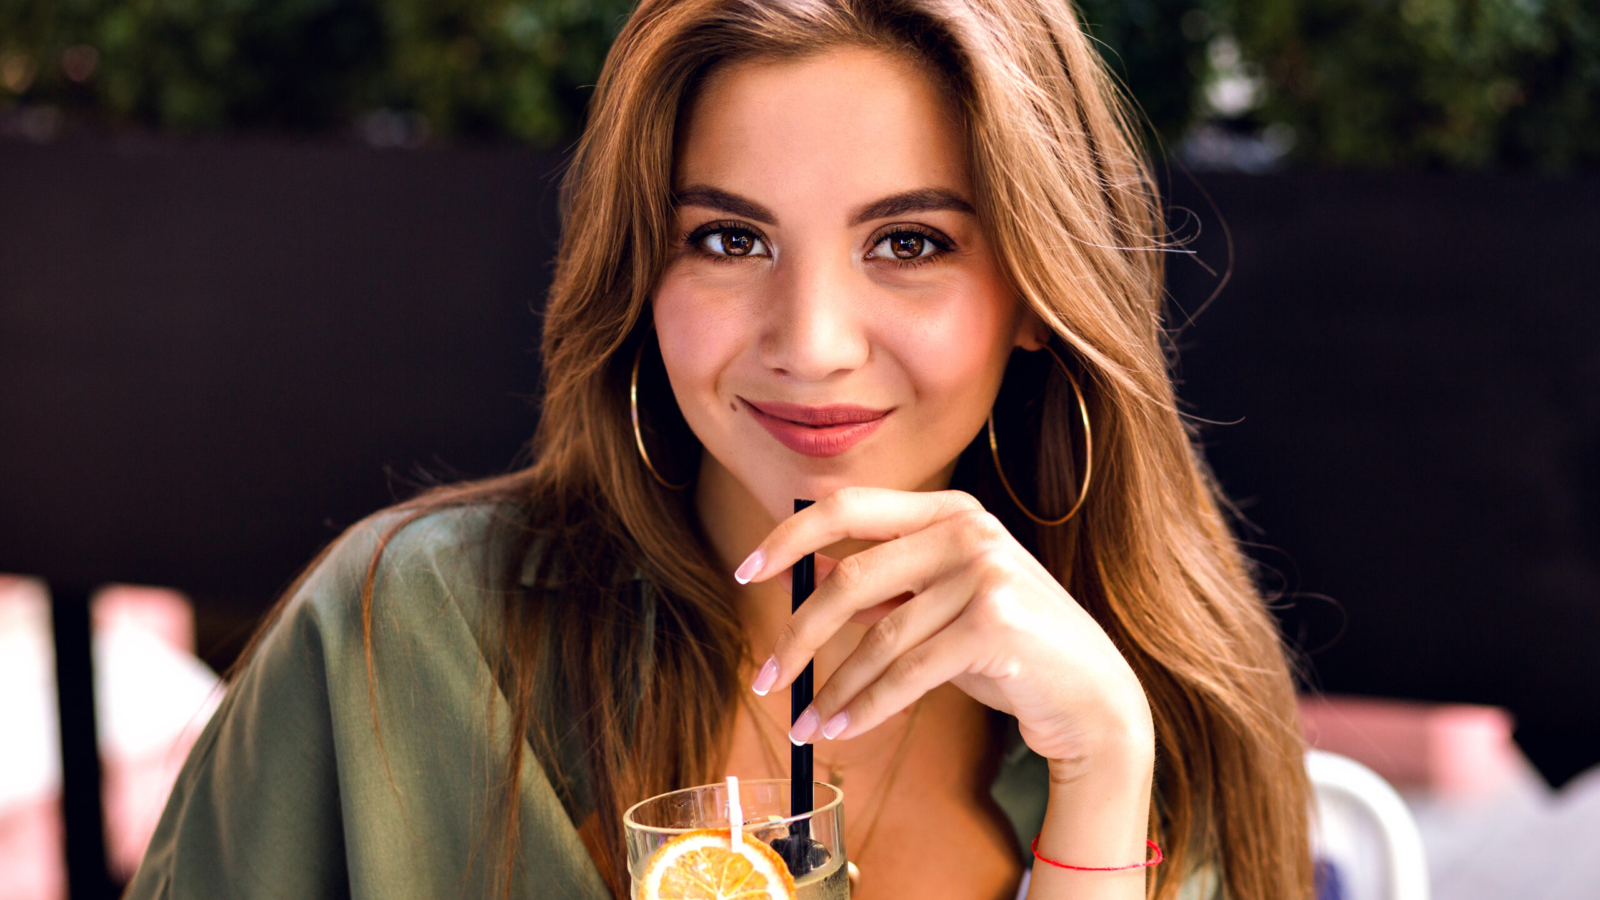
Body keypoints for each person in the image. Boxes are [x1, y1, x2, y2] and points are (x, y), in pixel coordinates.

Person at [125, 1, 1312, 898]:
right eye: (730, 240)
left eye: (907, 243)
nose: (812, 344)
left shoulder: (1158, 700)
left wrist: (1102, 775)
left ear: (1038, 287)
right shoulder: (403, 631)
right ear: (641, 271)